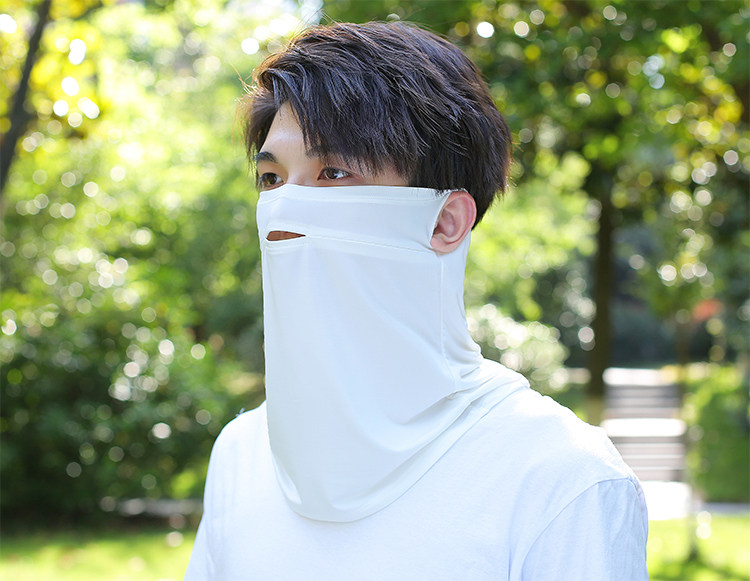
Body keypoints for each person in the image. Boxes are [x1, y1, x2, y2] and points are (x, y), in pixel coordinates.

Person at [185, 21, 648, 580]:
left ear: (445, 221)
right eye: (270, 178)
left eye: (334, 172)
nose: (285, 208)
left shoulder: (562, 479)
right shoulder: (241, 455)